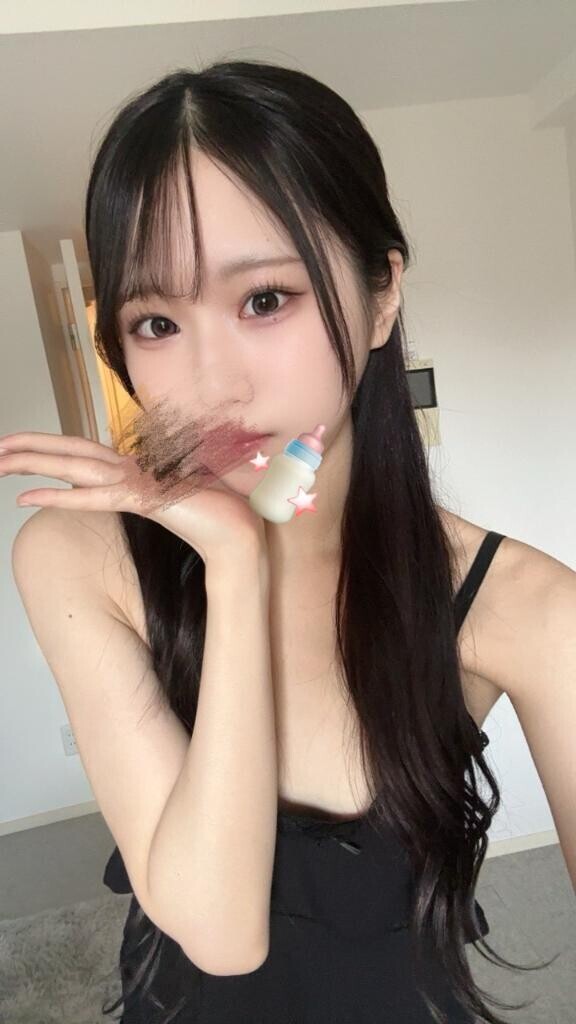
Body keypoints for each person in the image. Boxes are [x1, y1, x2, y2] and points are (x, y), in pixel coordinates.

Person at [7, 59, 562, 1023]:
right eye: (156, 321)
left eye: (264, 299)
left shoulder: (524, 606)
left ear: (381, 295)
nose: (211, 384)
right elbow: (220, 933)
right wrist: (236, 565)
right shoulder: (77, 556)